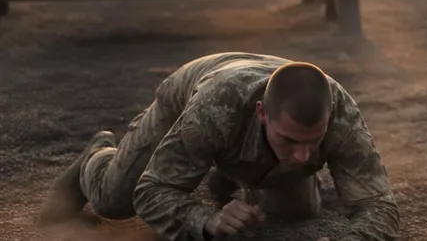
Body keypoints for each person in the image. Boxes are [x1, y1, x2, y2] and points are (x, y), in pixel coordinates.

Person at [36, 52, 401, 241]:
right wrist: (206, 219)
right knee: (114, 200)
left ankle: (227, 175)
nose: (305, 158)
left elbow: (379, 205)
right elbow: (153, 190)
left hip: (246, 113)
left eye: (314, 142)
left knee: (297, 210)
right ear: (262, 113)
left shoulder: (342, 117)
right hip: (193, 91)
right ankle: (97, 156)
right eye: (290, 139)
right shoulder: (213, 112)